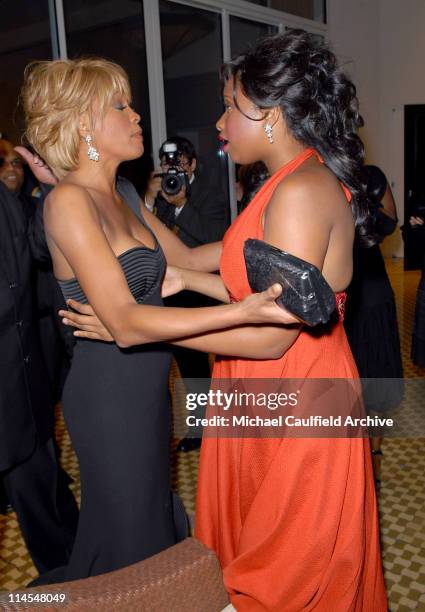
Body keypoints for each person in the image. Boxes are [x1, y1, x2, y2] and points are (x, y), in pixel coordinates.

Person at [61, 31, 387, 610]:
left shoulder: (301, 193)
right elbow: (191, 262)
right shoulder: (281, 184)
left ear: (269, 115)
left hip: (295, 391)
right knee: (255, 546)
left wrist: (128, 325)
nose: (218, 123)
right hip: (259, 383)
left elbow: (268, 335)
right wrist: (124, 201)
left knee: (286, 567)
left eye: (230, 108)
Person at [21, 56, 292, 585]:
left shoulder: (121, 193)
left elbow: (188, 261)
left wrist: (273, 228)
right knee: (128, 544)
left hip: (148, 390)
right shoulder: (68, 202)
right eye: (120, 106)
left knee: (148, 529)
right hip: (107, 398)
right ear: (83, 123)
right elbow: (123, 322)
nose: (136, 115)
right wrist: (238, 311)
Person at [0, 180, 78, 578]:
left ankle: (74, 578)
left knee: (45, 493)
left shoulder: (6, 198)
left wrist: (52, 185)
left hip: (20, 381)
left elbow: (35, 250)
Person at [145, 136, 228, 451]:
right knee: (178, 364)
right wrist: (151, 200)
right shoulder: (161, 192)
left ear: (192, 164)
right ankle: (191, 426)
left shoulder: (210, 195)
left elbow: (214, 238)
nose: (173, 169)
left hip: (201, 288)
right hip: (167, 289)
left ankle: (203, 429)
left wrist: (182, 206)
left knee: (198, 365)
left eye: (179, 162)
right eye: (168, 163)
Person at [344, 165, 404, 485]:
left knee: (376, 385)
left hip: (372, 292)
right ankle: (348, 458)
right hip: (338, 298)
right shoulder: (319, 176)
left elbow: (391, 223)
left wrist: (366, 201)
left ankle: (374, 455)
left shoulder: (369, 175)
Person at [0, 138, 73, 402]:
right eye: (3, 163)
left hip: (54, 319)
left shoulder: (40, 205)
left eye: (17, 163)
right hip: (16, 330)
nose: (11, 169)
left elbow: (41, 248)